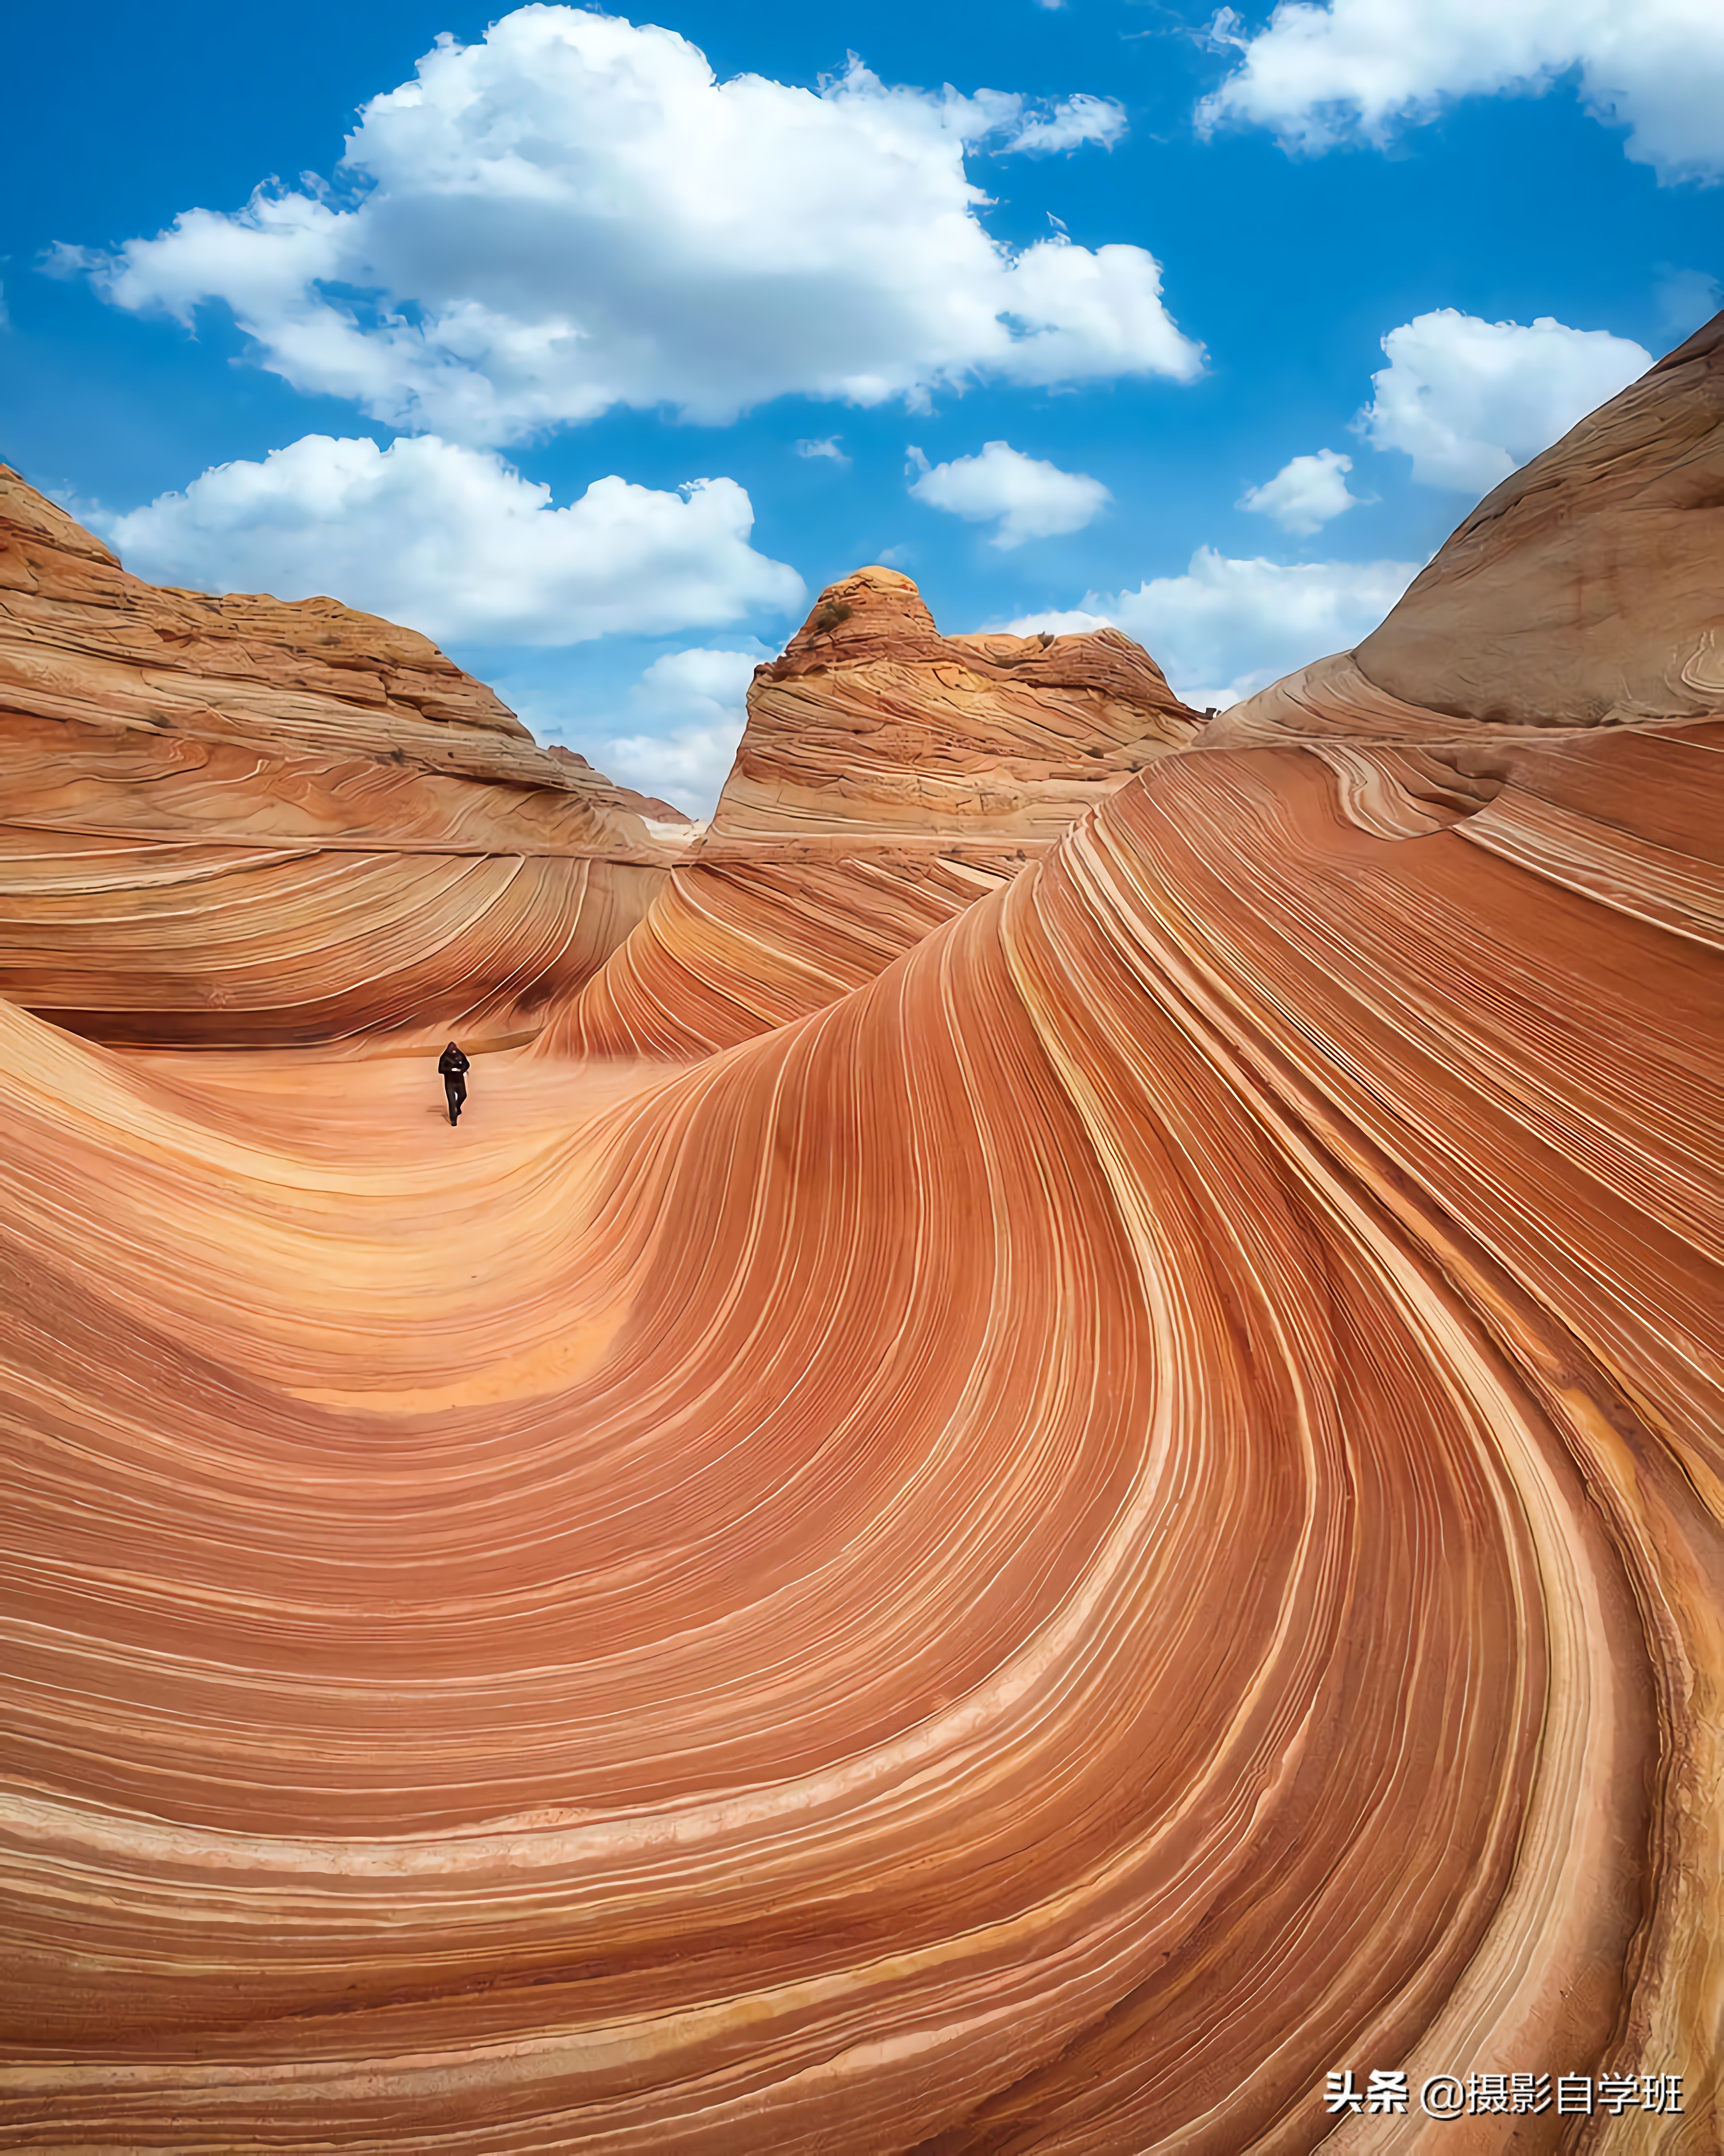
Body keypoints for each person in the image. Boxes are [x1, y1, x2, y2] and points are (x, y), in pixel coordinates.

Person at [438, 1040, 470, 1125]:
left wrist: (460, 1070)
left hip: (459, 1081)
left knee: (463, 1095)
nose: (453, 1051)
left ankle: (458, 1107)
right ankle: (453, 1120)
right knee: (452, 1101)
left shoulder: (460, 1056)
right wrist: (451, 1069)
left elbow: (467, 1065)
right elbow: (440, 1070)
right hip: (449, 1082)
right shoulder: (444, 1058)